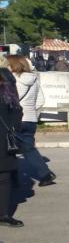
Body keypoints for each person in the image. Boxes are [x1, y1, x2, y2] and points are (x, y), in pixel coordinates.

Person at [7, 56, 56, 187]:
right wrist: (33, 114)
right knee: (26, 148)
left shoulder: (11, 79)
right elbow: (40, 100)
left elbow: (10, 100)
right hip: (30, 119)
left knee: (10, 149)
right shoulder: (34, 79)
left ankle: (12, 178)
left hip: (15, 120)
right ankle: (43, 174)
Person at [0, 68, 23, 226]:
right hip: (4, 143)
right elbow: (17, 124)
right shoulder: (12, 100)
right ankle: (4, 214)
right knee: (4, 179)